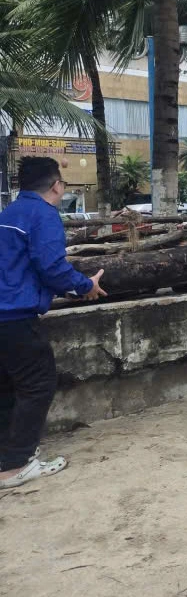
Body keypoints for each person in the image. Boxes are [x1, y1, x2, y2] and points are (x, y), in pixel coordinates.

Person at [0, 157, 107, 488]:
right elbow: (51, 266)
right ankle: (16, 465)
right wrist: (85, 285)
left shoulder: (9, 214)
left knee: (7, 387)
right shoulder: (42, 215)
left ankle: (7, 456)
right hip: (16, 315)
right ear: (57, 185)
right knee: (38, 383)